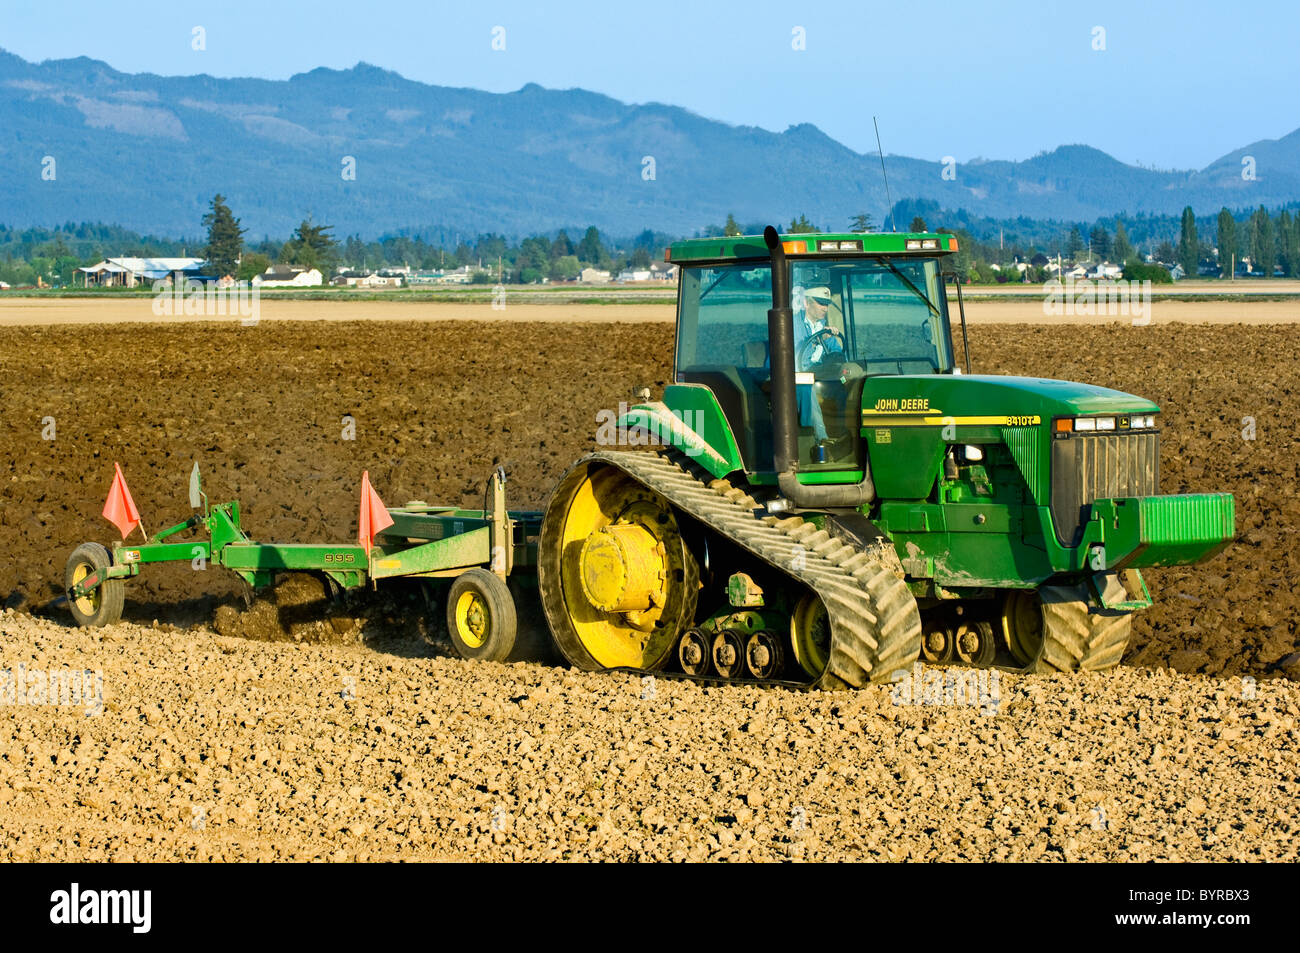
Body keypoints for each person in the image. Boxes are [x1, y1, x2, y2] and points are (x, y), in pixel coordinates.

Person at [792, 285, 841, 443]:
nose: (825, 308)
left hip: (819, 372)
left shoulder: (822, 327)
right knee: (807, 385)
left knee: (847, 382)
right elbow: (797, 358)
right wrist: (818, 341)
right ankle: (821, 437)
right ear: (807, 303)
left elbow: (838, 355)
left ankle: (845, 434)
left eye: (826, 304)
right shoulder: (794, 325)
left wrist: (842, 367)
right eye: (821, 303)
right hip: (797, 373)